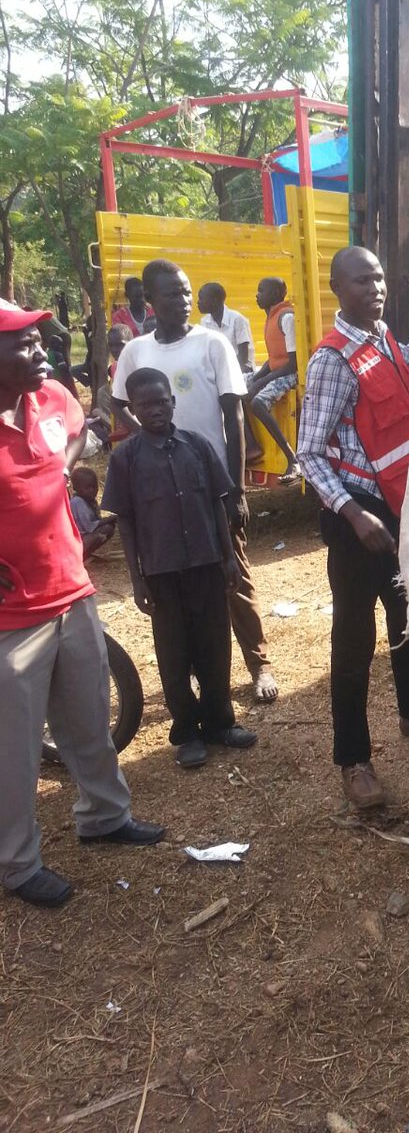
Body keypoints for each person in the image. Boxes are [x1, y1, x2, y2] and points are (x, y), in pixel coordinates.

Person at [296, 246, 409, 809]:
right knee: (354, 639)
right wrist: (353, 513)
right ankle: (353, 759)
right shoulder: (331, 360)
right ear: (336, 290)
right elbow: (309, 453)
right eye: (360, 281)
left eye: (378, 278)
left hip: (398, 506)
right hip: (357, 518)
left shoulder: (380, 340)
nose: (373, 288)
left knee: (408, 612)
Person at [0, 298, 164, 910]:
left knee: (89, 720)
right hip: (11, 623)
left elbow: (70, 444)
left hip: (72, 594)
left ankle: (104, 815)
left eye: (38, 337)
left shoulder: (53, 402)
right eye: (22, 343)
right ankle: (17, 865)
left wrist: (54, 481)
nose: (40, 349)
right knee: (12, 750)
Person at [110, 259, 279, 705]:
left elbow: (233, 413)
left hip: (211, 481)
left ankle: (258, 663)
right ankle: (188, 689)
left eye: (187, 292)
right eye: (172, 294)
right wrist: (144, 439)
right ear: (150, 300)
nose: (183, 301)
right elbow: (116, 403)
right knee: (179, 585)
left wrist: (236, 488)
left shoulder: (212, 343)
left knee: (234, 572)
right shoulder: (136, 351)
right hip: (162, 492)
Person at [103, 368, 255, 770]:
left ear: (173, 401)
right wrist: (138, 579)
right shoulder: (125, 458)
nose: (155, 409)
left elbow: (219, 507)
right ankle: (186, 731)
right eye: (145, 404)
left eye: (161, 401)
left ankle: (220, 722)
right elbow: (128, 522)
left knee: (214, 645)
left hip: (207, 564)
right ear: (132, 409)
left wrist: (228, 559)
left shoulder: (198, 446)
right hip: (161, 572)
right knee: (174, 653)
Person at [246, 276, 301, 482]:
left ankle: (292, 459)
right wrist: (257, 377)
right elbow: (274, 358)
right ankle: (251, 446)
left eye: (261, 290)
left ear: (277, 294)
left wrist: (262, 381)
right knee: (235, 387)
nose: (257, 295)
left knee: (259, 403)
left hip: (291, 373)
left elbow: (292, 363)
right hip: (279, 369)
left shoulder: (285, 317)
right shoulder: (271, 317)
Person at [198, 282, 255, 376]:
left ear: (214, 301)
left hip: (241, 370)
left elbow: (243, 358)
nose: (198, 302)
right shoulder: (204, 322)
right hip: (218, 369)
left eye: (201, 298)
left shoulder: (237, 319)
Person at [70, 466, 117, 559]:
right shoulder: (77, 502)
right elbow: (89, 527)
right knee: (106, 529)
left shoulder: (90, 501)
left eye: (94, 486)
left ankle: (86, 553)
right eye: (87, 488)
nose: (92, 490)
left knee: (109, 528)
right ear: (76, 488)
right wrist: (109, 519)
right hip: (76, 541)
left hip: (84, 537)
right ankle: (80, 554)